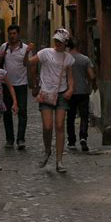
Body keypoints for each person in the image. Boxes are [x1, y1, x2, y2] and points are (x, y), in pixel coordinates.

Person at [24, 29, 74, 173]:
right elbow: (27, 63)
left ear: (65, 42)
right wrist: (28, 52)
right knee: (47, 126)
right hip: (46, 94)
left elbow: (70, 77)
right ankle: (47, 150)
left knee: (59, 125)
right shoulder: (46, 53)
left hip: (61, 94)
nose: (57, 43)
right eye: (56, 40)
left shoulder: (68, 58)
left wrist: (70, 89)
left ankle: (59, 160)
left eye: (60, 41)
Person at [0, 24, 30, 150]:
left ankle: (21, 139)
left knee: (22, 112)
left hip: (21, 84)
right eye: (10, 34)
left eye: (14, 33)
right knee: (6, 112)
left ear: (18, 34)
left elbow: (29, 65)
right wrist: (2, 56)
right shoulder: (3, 47)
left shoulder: (26, 49)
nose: (12, 36)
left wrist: (33, 83)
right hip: (6, 85)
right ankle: (10, 139)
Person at [66, 38, 96, 152]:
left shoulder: (66, 59)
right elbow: (92, 75)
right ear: (78, 46)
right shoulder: (85, 59)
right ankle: (83, 137)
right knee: (84, 116)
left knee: (70, 117)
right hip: (83, 91)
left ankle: (72, 141)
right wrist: (92, 84)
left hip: (70, 91)